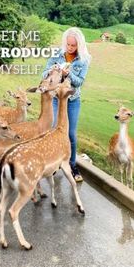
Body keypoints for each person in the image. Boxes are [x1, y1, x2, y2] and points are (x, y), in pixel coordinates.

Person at [42, 27, 91, 182]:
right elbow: (43, 74)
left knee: (71, 134)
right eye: (68, 44)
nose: (70, 48)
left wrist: (68, 73)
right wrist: (53, 70)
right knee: (56, 129)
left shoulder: (84, 59)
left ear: (79, 45)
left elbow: (79, 82)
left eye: (73, 45)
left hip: (72, 99)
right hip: (57, 97)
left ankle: (72, 165)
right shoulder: (57, 54)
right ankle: (56, 163)